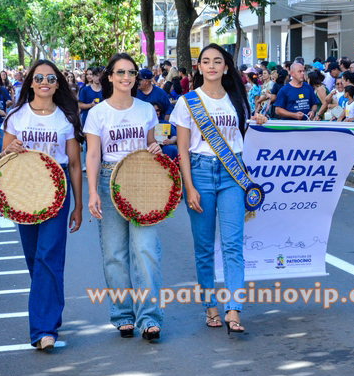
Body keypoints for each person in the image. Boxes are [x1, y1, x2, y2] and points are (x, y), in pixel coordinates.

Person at [172, 43, 266, 334]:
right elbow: (183, 149)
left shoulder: (237, 100)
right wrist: (188, 186)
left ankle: (234, 310)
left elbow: (244, 137)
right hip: (199, 172)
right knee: (203, 247)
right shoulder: (188, 101)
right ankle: (210, 305)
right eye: (205, 61)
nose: (211, 65)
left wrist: (260, 122)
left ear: (226, 67)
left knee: (232, 245)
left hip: (232, 175)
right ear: (199, 67)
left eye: (217, 61)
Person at [1, 60, 84, 350]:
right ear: (31, 82)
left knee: (49, 255)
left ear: (58, 83)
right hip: (23, 189)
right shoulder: (16, 117)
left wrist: (78, 205)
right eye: (39, 77)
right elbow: (2, 159)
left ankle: (43, 330)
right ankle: (49, 312)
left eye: (50, 77)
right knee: (35, 258)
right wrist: (7, 150)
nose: (44, 81)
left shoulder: (67, 118)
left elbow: (74, 164)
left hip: (57, 189)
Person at [85, 53, 164, 341]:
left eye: (131, 73)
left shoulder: (145, 110)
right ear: (109, 77)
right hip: (108, 180)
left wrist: (155, 147)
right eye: (120, 72)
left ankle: (150, 318)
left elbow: (152, 143)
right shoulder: (97, 113)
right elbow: (92, 154)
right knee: (115, 254)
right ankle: (123, 315)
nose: (126, 78)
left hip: (142, 180)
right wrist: (93, 191)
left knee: (145, 251)